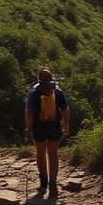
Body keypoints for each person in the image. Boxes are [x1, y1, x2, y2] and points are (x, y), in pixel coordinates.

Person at [25, 68, 69, 197]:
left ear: (39, 79)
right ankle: (53, 182)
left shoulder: (34, 93)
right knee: (53, 153)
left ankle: (43, 180)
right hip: (54, 126)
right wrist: (66, 127)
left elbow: (28, 113)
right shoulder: (57, 92)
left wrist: (28, 128)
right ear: (51, 78)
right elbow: (66, 110)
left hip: (38, 127)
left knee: (40, 152)